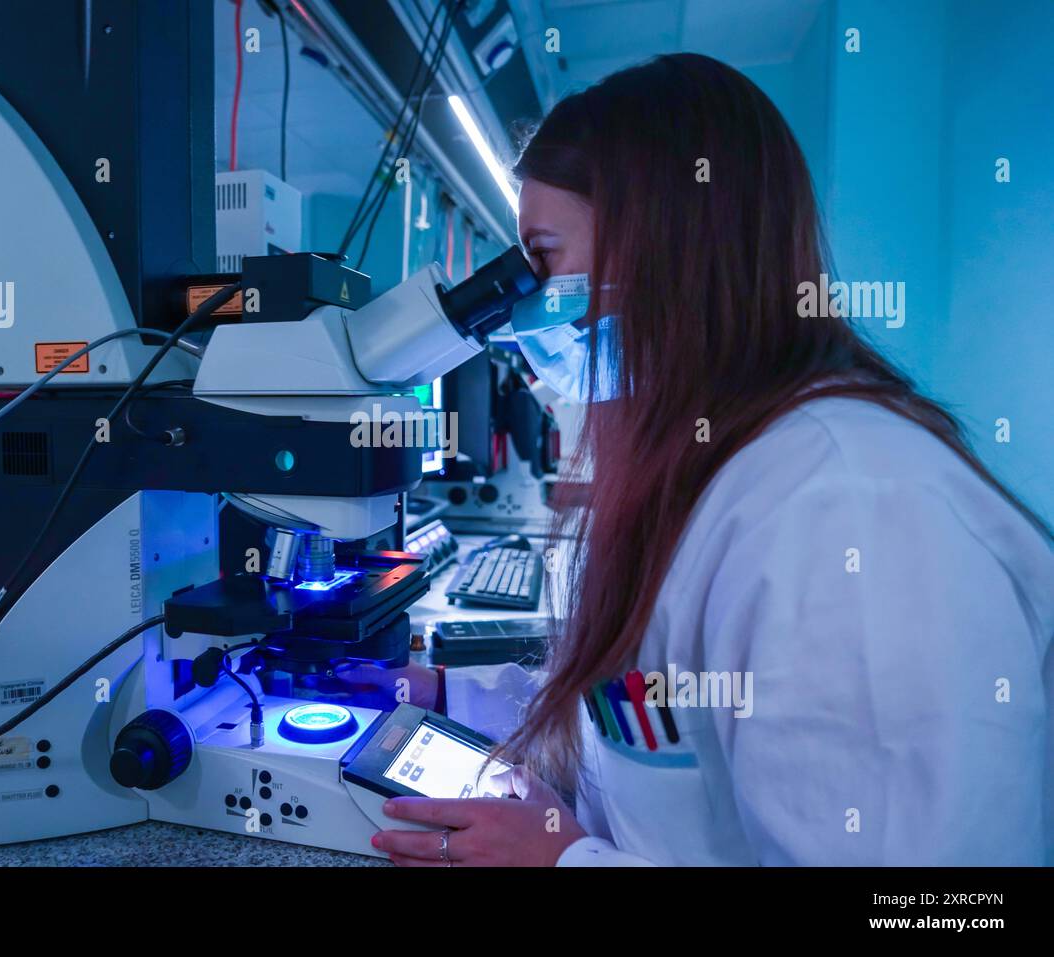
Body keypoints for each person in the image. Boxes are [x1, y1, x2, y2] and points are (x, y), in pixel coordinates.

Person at [368, 53, 1054, 866]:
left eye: (542, 259)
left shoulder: (845, 508)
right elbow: (664, 711)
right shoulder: (706, 459)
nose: (522, 306)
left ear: (666, 248)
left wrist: (561, 864)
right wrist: (457, 699)